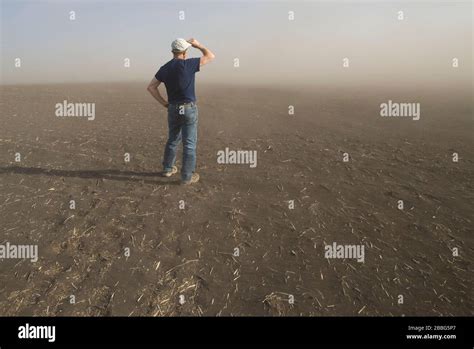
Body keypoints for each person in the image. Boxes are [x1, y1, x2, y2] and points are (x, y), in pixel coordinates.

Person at [147, 38, 215, 184]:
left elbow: (151, 87)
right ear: (185, 52)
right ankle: (187, 177)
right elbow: (210, 56)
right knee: (189, 144)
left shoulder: (164, 68)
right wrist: (198, 45)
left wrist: (164, 103)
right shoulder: (189, 64)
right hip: (188, 109)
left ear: (172, 51)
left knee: (172, 140)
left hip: (172, 108)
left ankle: (167, 169)